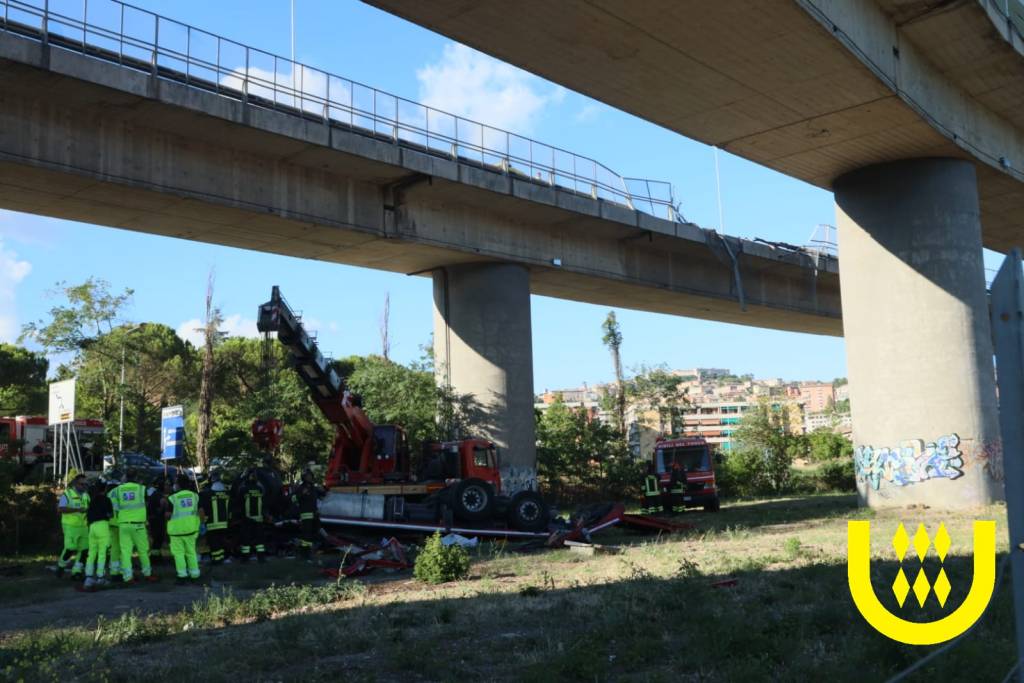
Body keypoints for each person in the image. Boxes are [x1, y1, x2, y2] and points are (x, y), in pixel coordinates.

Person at [111, 472, 156, 584]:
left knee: (125, 552)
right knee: (143, 551)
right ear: (135, 478)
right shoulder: (141, 489)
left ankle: (128, 577)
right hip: (138, 525)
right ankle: (147, 574)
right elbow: (149, 502)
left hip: (123, 524)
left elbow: (115, 507)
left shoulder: (117, 490)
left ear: (125, 478)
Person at [166, 475, 203, 585]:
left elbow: (167, 515)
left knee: (179, 554)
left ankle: (182, 576)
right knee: (191, 552)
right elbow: (201, 511)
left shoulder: (173, 498)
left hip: (176, 531)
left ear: (178, 484)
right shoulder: (195, 496)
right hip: (191, 530)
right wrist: (201, 524)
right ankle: (195, 575)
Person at [56, 472, 90, 579]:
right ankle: (61, 566)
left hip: (84, 527)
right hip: (70, 526)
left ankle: (77, 572)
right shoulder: (67, 494)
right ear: (75, 483)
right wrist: (77, 509)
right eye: (82, 484)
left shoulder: (86, 495)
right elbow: (60, 508)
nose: (84, 486)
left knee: (84, 550)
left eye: (85, 484)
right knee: (70, 548)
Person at [84, 479, 114, 590]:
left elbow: (88, 514)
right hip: (103, 526)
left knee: (91, 553)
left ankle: (88, 577)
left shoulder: (92, 500)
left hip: (92, 527)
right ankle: (100, 577)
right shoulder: (107, 500)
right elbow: (110, 515)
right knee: (102, 553)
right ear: (105, 489)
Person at [291, 469, 324, 562]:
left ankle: (309, 552)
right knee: (306, 536)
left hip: (314, 514)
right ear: (304, 478)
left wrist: (323, 490)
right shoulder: (301, 488)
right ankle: (304, 554)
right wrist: (302, 493)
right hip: (306, 515)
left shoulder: (313, 487)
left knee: (315, 533)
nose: (309, 478)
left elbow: (322, 495)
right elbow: (293, 499)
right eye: (307, 476)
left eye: (310, 476)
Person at [200, 471, 232, 564]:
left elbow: (203, 509)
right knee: (221, 542)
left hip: (212, 524)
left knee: (214, 543)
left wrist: (202, 522)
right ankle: (221, 558)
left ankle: (217, 560)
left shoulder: (207, 494)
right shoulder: (227, 494)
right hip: (224, 524)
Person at [237, 470, 268, 563]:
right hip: (258, 519)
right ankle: (261, 558)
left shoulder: (243, 489)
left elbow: (239, 503)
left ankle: (245, 558)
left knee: (246, 540)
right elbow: (264, 502)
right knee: (259, 540)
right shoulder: (260, 489)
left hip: (247, 519)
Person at [147, 477, 169, 563]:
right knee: (158, 539)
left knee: (157, 540)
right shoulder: (158, 495)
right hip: (157, 521)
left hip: (154, 520)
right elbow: (164, 503)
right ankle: (155, 558)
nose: (168, 486)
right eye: (166, 485)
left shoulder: (155, 494)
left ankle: (156, 556)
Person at [105, 476, 122, 580]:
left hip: (110, 524)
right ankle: (120, 571)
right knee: (122, 548)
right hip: (120, 524)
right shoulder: (120, 494)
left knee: (114, 548)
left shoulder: (108, 496)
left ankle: (114, 570)